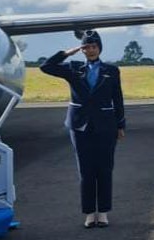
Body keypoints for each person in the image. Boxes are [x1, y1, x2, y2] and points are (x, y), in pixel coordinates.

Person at [41, 30, 126, 229]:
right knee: (86, 171)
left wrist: (121, 124)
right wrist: (67, 53)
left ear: (100, 48)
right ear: (82, 50)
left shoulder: (111, 70)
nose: (90, 50)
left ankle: (103, 212)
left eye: (94, 46)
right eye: (86, 47)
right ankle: (89, 213)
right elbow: (46, 67)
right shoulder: (73, 68)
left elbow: (118, 98)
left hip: (106, 125)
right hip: (79, 126)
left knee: (105, 169)